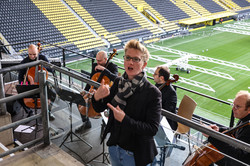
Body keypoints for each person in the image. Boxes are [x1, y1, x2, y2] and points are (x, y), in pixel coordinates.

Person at [91, 39, 162, 166]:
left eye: (136, 59)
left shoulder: (153, 93)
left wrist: (125, 119)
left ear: (144, 64)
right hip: (114, 147)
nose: (130, 62)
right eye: (128, 58)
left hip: (135, 154)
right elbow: (99, 108)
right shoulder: (118, 82)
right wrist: (96, 97)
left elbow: (152, 129)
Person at [75, 50, 118, 132]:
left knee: (107, 108)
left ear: (106, 59)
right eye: (97, 60)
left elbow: (116, 79)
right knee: (79, 101)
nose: (97, 62)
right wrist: (85, 91)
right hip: (93, 91)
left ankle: (104, 126)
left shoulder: (113, 67)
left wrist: (104, 70)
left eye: (100, 60)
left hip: (106, 94)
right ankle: (86, 122)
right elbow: (91, 80)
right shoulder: (95, 65)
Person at [203, 90, 250, 166]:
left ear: (249, 109)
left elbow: (239, 155)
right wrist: (219, 129)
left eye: (237, 106)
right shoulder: (245, 118)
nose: (233, 109)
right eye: (233, 105)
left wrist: (212, 137)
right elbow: (236, 130)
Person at [18, 44, 55, 120]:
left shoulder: (42, 58)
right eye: (30, 54)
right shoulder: (24, 62)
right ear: (28, 53)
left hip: (43, 84)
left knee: (53, 94)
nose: (32, 56)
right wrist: (24, 85)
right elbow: (20, 77)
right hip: (30, 85)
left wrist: (44, 66)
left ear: (38, 52)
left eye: (34, 54)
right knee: (18, 97)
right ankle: (29, 112)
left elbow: (52, 69)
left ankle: (48, 111)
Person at [153, 66, 177, 130]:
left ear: (161, 78)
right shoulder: (158, 86)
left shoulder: (171, 93)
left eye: (155, 74)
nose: (153, 75)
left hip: (165, 124)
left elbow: (167, 112)